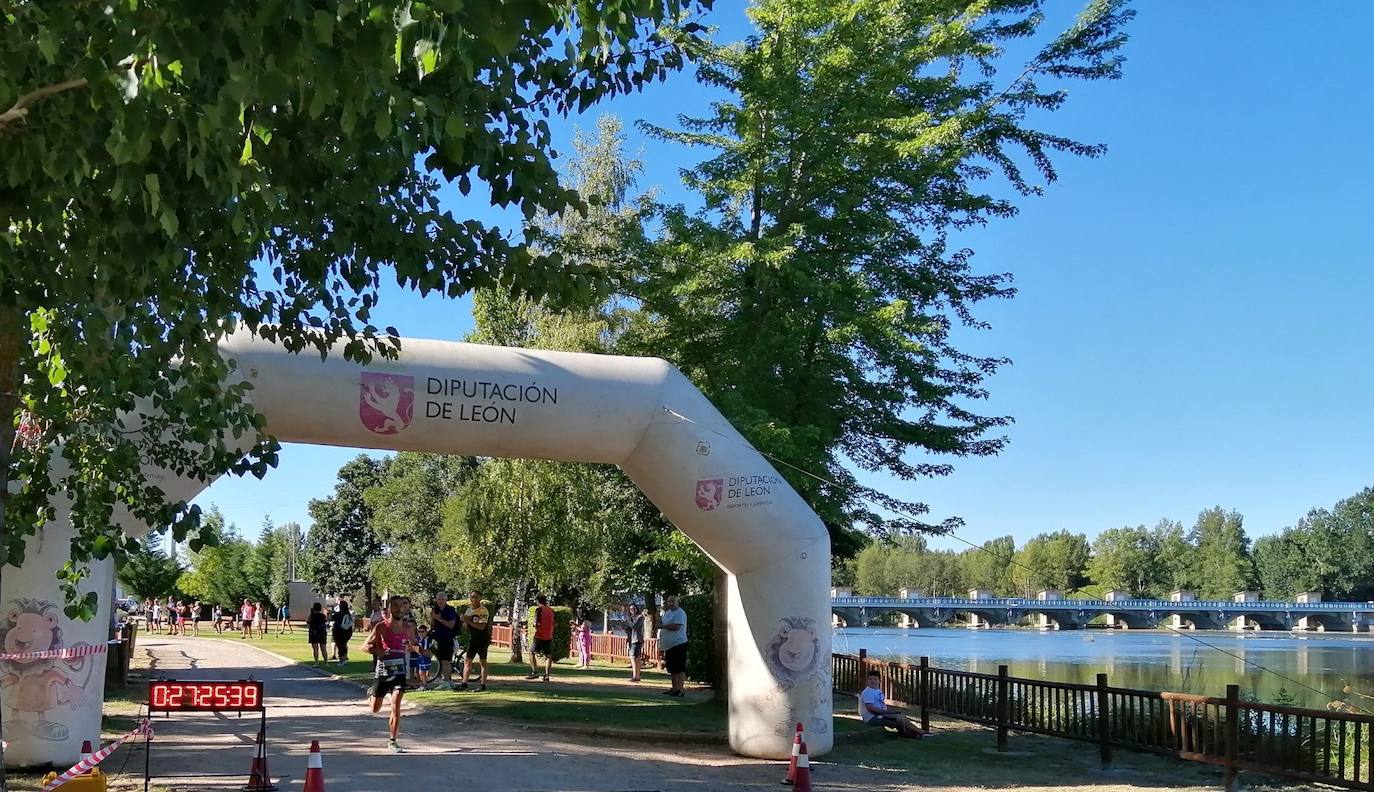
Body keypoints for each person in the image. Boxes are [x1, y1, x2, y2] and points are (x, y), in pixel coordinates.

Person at [364, 595, 416, 753]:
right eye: (396, 606)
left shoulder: (408, 628)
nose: (400, 609)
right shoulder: (381, 627)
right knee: (375, 708)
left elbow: (413, 645)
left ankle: (392, 741)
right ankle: (373, 694)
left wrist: (421, 650)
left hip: (399, 672)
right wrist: (377, 650)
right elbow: (365, 647)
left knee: (396, 705)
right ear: (390, 608)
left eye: (402, 605)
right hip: (383, 672)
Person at [859, 670, 925, 738]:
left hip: (880, 714)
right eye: (870, 679)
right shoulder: (868, 692)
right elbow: (871, 709)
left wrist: (891, 711)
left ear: (879, 681)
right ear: (867, 681)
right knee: (899, 719)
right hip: (872, 717)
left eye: (875, 679)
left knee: (901, 716)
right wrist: (887, 712)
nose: (872, 681)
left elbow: (883, 705)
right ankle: (911, 733)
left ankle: (918, 732)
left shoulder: (877, 690)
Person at [426, 591, 458, 690]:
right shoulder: (435, 610)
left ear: (446, 600)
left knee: (446, 660)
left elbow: (451, 624)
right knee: (442, 660)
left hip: (447, 637)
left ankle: (447, 681)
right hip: (438, 637)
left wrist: (439, 619)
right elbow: (433, 624)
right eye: (439, 599)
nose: (440, 601)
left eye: (442, 599)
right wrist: (433, 618)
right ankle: (448, 680)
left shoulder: (450, 610)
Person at [459, 591, 490, 692]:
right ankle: (464, 683)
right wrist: (463, 621)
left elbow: (481, 627)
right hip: (473, 638)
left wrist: (468, 621)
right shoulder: (469, 610)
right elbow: (465, 626)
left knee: (483, 661)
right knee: (468, 660)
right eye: (472, 597)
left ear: (480, 598)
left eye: (476, 597)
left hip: (482, 638)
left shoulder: (483, 611)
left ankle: (483, 685)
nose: (474, 599)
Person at [659, 595, 687, 697]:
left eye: (673, 601)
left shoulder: (680, 613)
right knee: (672, 668)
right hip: (669, 645)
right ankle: (674, 688)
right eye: (669, 601)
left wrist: (663, 626)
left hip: (679, 643)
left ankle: (681, 689)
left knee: (679, 668)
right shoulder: (667, 613)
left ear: (677, 602)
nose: (670, 603)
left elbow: (677, 626)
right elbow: (662, 623)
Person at [525, 594, 556, 682]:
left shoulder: (539, 610)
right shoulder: (551, 611)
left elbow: (535, 623)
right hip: (548, 635)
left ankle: (534, 672)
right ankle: (547, 675)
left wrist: (535, 626)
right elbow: (554, 623)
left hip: (539, 635)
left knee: (531, 652)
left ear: (538, 601)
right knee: (548, 655)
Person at [623, 603, 646, 683]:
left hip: (637, 639)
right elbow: (628, 628)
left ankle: (636, 676)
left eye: (634, 608)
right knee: (635, 657)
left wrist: (629, 620)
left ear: (637, 609)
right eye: (631, 609)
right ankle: (636, 676)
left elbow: (635, 626)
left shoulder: (640, 617)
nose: (632, 610)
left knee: (634, 657)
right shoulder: (631, 618)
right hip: (631, 639)